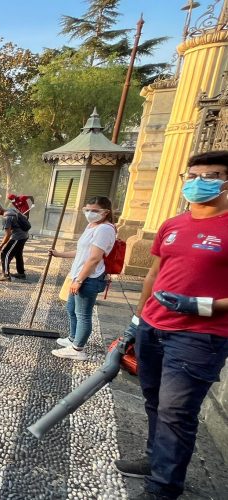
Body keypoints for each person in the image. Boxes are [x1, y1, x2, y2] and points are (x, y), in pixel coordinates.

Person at [114, 151, 228, 500]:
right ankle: (154, 458)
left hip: (199, 336)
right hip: (153, 326)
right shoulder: (173, 224)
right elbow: (154, 274)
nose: (198, 183)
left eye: (209, 175)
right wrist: (137, 319)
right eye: (191, 176)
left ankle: (163, 488)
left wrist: (203, 305)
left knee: (175, 411)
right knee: (152, 399)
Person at [48, 196, 117, 360]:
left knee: (83, 314)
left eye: (95, 211)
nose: (90, 213)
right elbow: (82, 251)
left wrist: (79, 280)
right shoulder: (92, 226)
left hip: (89, 277)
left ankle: (78, 349)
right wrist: (59, 254)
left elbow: (94, 258)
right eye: (87, 210)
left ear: (106, 212)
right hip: (78, 274)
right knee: (71, 309)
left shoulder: (105, 229)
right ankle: (73, 338)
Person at [0, 201, 30, 281]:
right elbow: (22, 219)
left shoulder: (6, 218)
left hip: (18, 237)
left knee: (5, 254)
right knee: (18, 254)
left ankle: (5, 275)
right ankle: (21, 273)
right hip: (24, 235)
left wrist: (0, 246)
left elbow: (8, 235)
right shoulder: (11, 210)